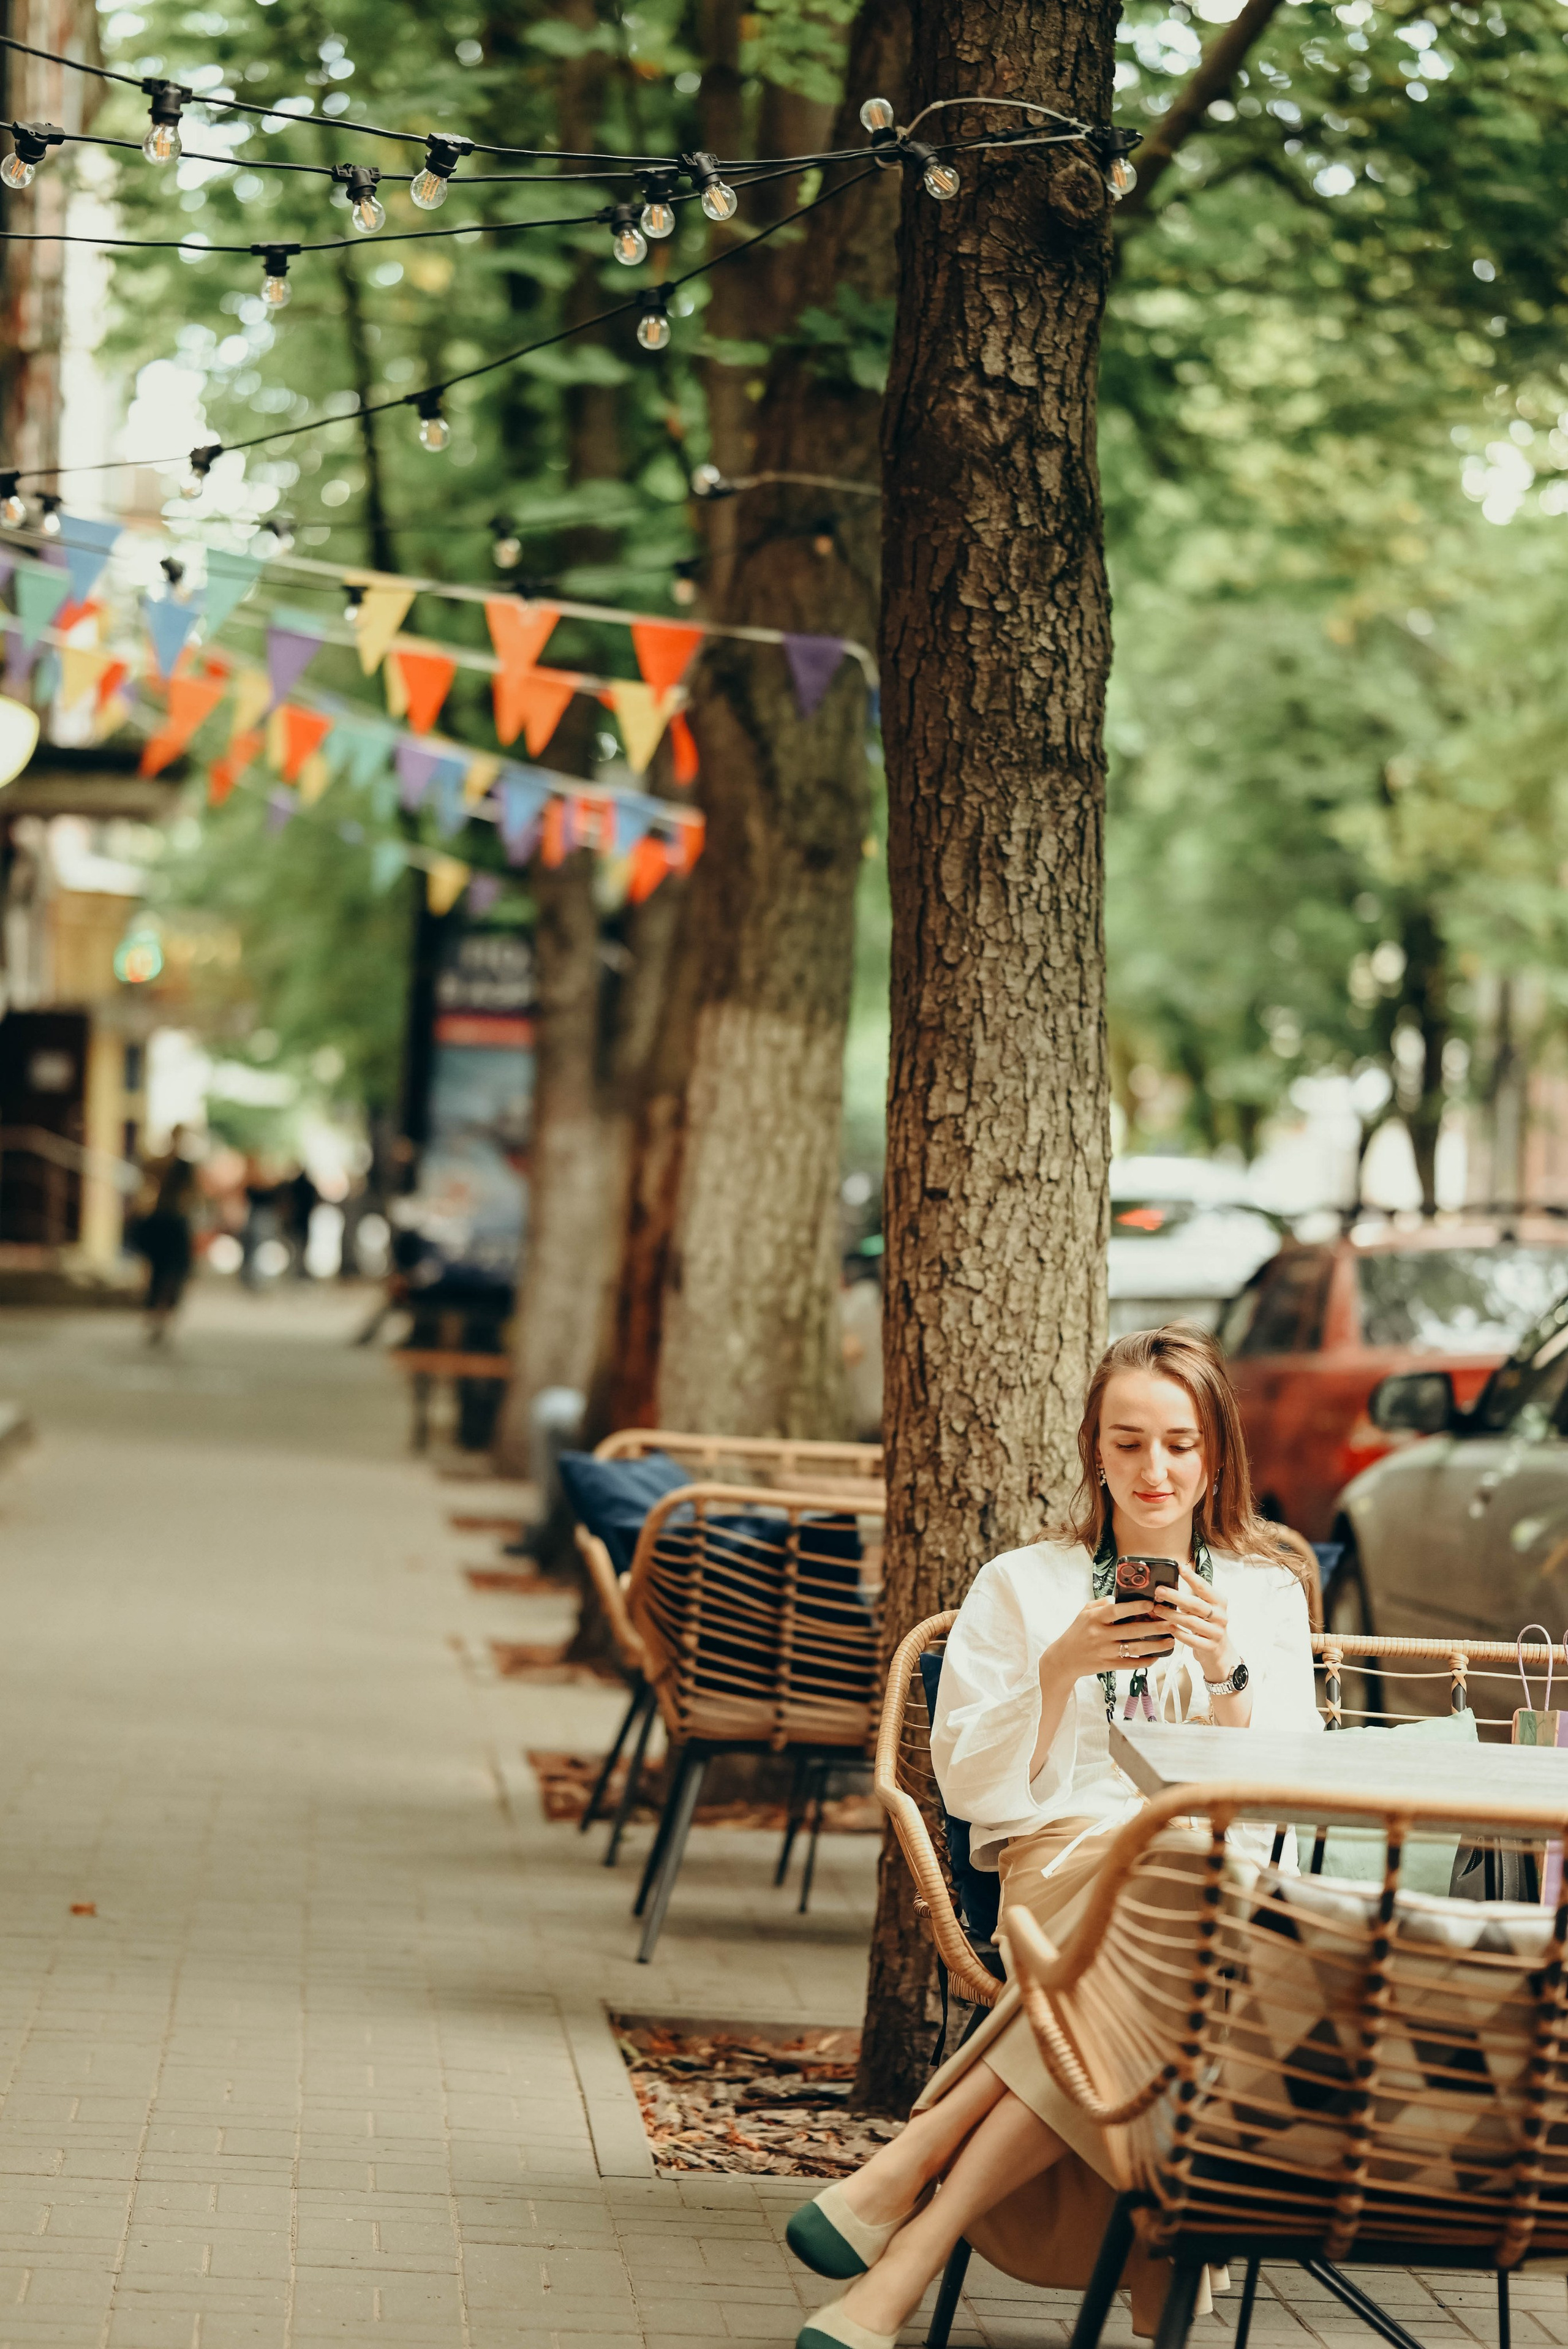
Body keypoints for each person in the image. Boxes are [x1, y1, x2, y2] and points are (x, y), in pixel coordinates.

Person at [786, 1323, 1321, 2349]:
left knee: (1178, 1892)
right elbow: (969, 1786)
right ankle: (969, 2235)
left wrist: (1228, 1680)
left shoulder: (1264, 1594)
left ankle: (912, 2203)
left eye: (1178, 1442)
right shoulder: (1023, 1584)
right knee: (1169, 1925)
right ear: (1093, 1450)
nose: (1153, 1468)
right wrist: (1059, 1671)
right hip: (1064, 1866)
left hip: (1207, 1882)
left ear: (1215, 1455)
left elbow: (1288, 1793)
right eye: (1127, 1443)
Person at [134, 1125, 201, 1345]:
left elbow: (192, 1196)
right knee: (161, 1272)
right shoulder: (163, 1164)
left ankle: (163, 1317)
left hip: (173, 1223)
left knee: (173, 1273)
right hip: (165, 1222)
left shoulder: (184, 1167)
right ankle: (157, 1316)